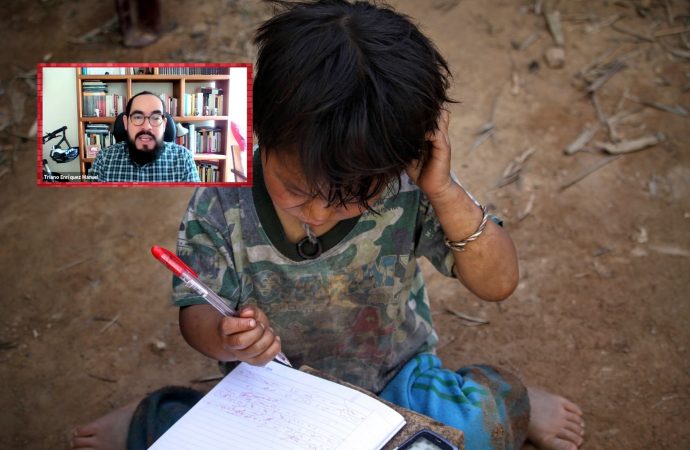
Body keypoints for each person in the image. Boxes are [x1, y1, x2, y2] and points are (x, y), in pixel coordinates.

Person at [71, 1, 584, 449]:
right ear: (260, 131)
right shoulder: (219, 200)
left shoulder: (410, 188)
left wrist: (444, 190)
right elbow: (195, 317)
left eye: (350, 201)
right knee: (189, 436)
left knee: (474, 428)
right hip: (271, 390)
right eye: (295, 189)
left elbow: (498, 283)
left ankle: (515, 402)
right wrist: (229, 340)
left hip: (395, 378)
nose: (316, 213)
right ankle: (152, 419)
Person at [89, 91, 200, 182]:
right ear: (126, 123)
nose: (147, 127)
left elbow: (194, 207)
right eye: (138, 117)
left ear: (164, 124)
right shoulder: (104, 159)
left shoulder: (184, 159)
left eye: (156, 118)